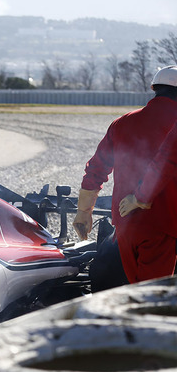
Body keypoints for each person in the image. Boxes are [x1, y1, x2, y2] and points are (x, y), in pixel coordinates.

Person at [73, 65, 177, 283]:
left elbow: (96, 168)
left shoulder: (121, 123)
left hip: (126, 224)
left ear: (154, 89)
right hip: (164, 223)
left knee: (135, 290)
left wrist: (84, 210)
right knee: (151, 298)